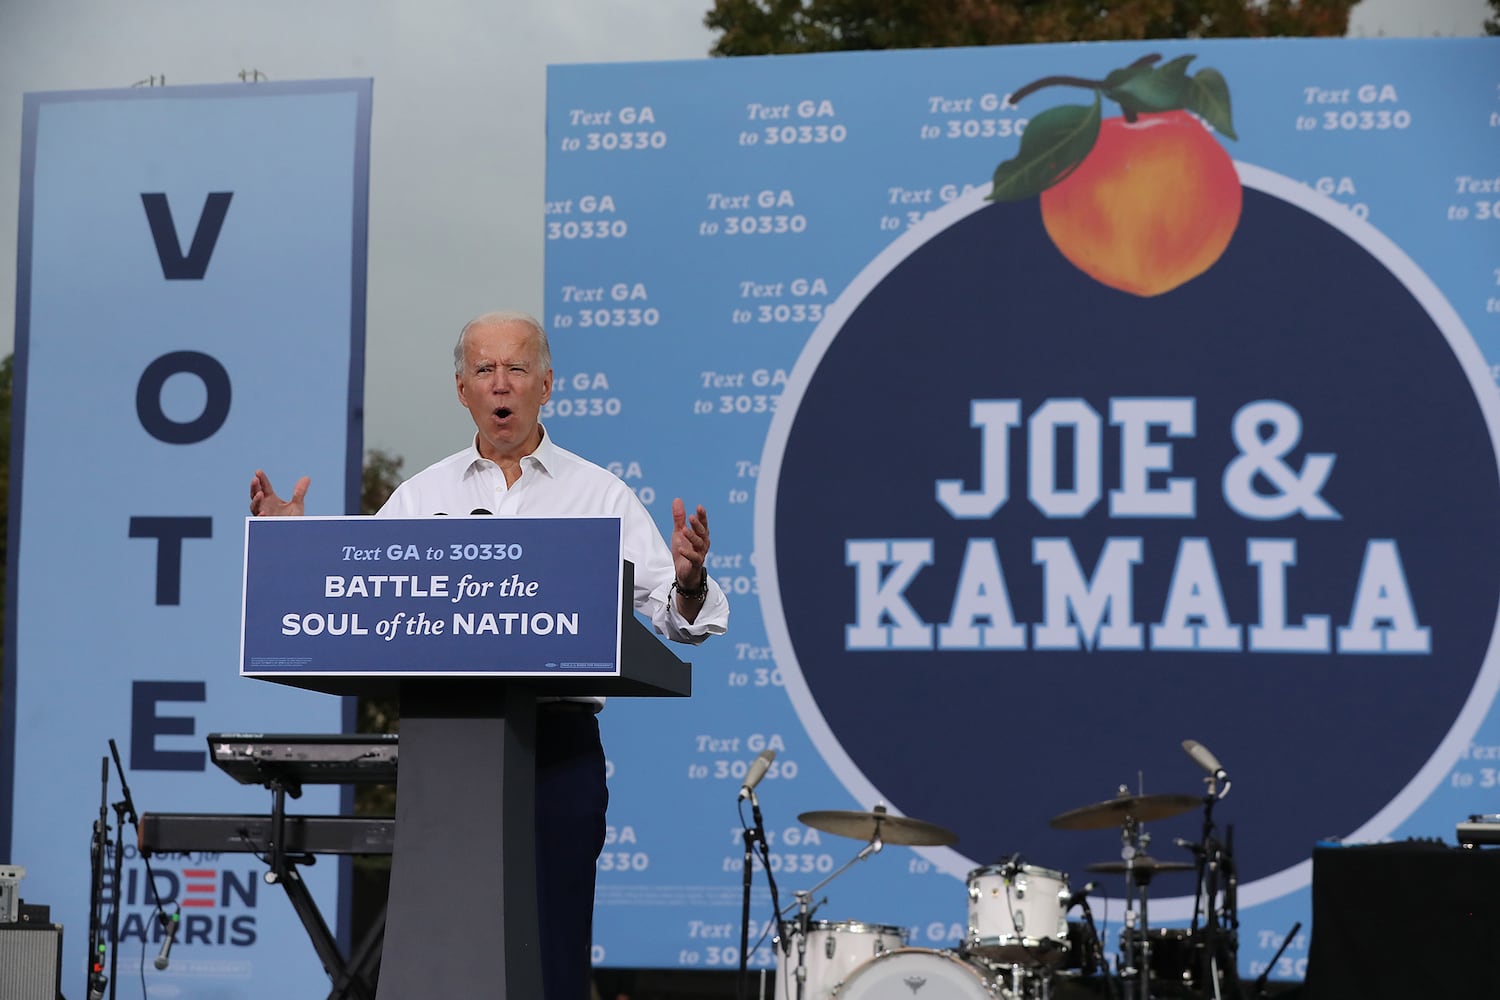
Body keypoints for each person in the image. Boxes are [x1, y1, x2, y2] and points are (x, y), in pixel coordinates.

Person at [250, 309, 730, 1000]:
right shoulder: (423, 496)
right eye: (484, 369)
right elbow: (358, 609)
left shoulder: (599, 494)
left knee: (552, 949)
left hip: (556, 748)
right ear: (461, 389)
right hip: (445, 751)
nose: (500, 382)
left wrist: (686, 581)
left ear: (547, 385)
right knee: (442, 947)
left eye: (516, 368)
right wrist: (296, 552)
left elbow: (683, 622)